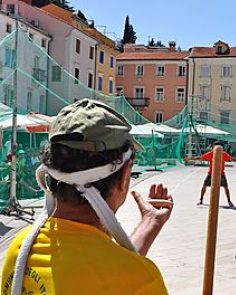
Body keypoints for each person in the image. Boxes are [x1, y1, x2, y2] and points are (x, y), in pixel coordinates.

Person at [1, 99, 173, 294]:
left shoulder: (20, 250)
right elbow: (111, 277)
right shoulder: (140, 279)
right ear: (125, 175)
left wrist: (150, 223)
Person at [185, 141, 236, 207]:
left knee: (226, 187)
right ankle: (201, 200)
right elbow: (200, 158)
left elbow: (232, 159)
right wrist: (190, 159)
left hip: (221, 173)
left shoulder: (223, 154)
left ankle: (229, 201)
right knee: (204, 186)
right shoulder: (211, 154)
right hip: (211, 173)